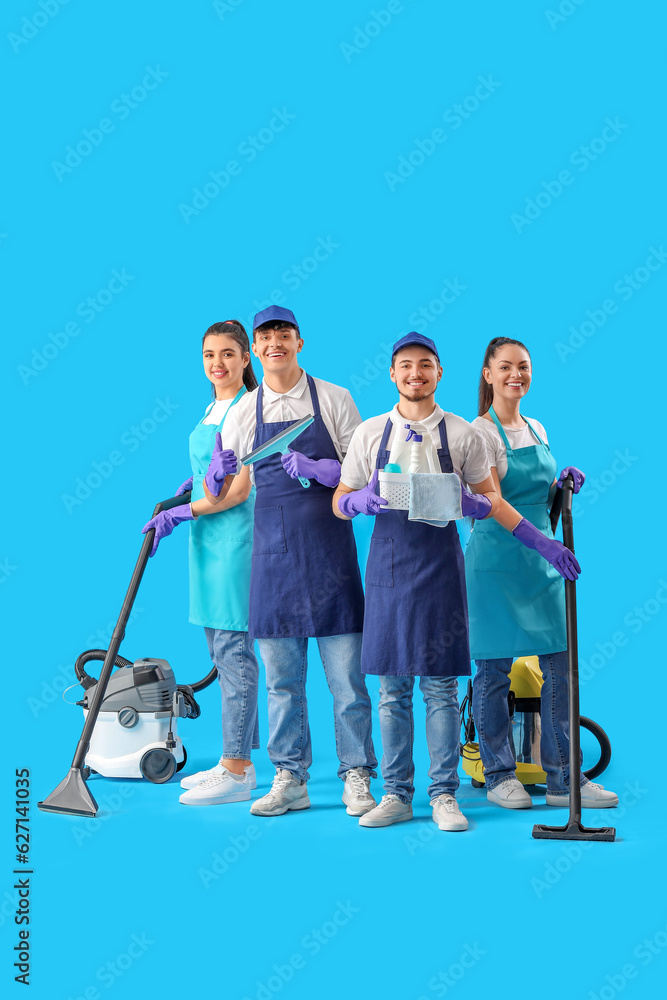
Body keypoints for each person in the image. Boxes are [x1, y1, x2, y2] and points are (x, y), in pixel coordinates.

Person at [204, 305, 377, 818]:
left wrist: (327, 470)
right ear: (255, 349)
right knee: (281, 682)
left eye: (283, 334)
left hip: (331, 556)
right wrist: (216, 471)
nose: (274, 342)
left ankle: (358, 775)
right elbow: (227, 487)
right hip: (274, 561)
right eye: (265, 337)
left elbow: (364, 476)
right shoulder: (243, 410)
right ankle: (289, 776)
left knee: (347, 681)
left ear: (299, 341)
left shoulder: (335, 398)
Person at [333, 332, 500, 831]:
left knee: (441, 687)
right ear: (392, 374)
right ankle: (397, 794)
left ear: (439, 372)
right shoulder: (369, 433)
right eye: (405, 366)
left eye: (425, 365)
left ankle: (444, 794)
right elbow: (339, 499)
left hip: (441, 569)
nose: (415, 374)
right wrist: (359, 501)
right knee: (390, 689)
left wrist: (473, 505)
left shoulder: (462, 434)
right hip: (387, 570)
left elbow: (489, 498)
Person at [464, 336, 618, 809]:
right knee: (492, 672)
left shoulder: (536, 426)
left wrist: (561, 484)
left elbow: (536, 494)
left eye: (524, 367)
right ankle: (499, 775)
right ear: (488, 374)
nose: (517, 374)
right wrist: (544, 543)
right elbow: (491, 503)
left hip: (541, 565)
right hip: (495, 564)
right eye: (506, 367)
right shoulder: (479, 433)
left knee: (560, 667)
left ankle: (562, 781)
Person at [141, 320, 260, 807]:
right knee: (220, 648)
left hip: (236, 540)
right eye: (210, 354)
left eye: (228, 354)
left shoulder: (249, 408)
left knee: (235, 652)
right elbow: (208, 472)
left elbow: (239, 489)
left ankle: (237, 769)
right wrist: (185, 487)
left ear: (246, 358)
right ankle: (238, 759)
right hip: (207, 542)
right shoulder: (212, 407)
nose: (218, 363)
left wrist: (181, 511)